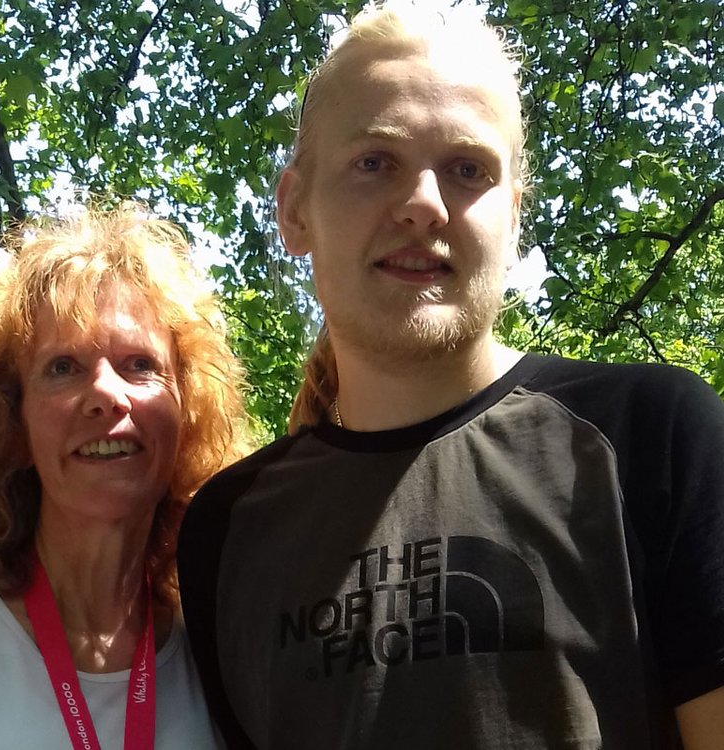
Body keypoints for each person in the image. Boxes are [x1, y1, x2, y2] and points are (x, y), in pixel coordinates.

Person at [177, 4, 724, 749]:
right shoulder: (224, 531)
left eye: (468, 170)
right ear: (294, 209)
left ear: (514, 217)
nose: (424, 205)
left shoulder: (655, 438)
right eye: (376, 162)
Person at [0, 203, 249, 749]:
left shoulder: (226, 651)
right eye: (63, 368)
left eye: (140, 365)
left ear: (186, 412)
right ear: (14, 422)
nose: (106, 393)